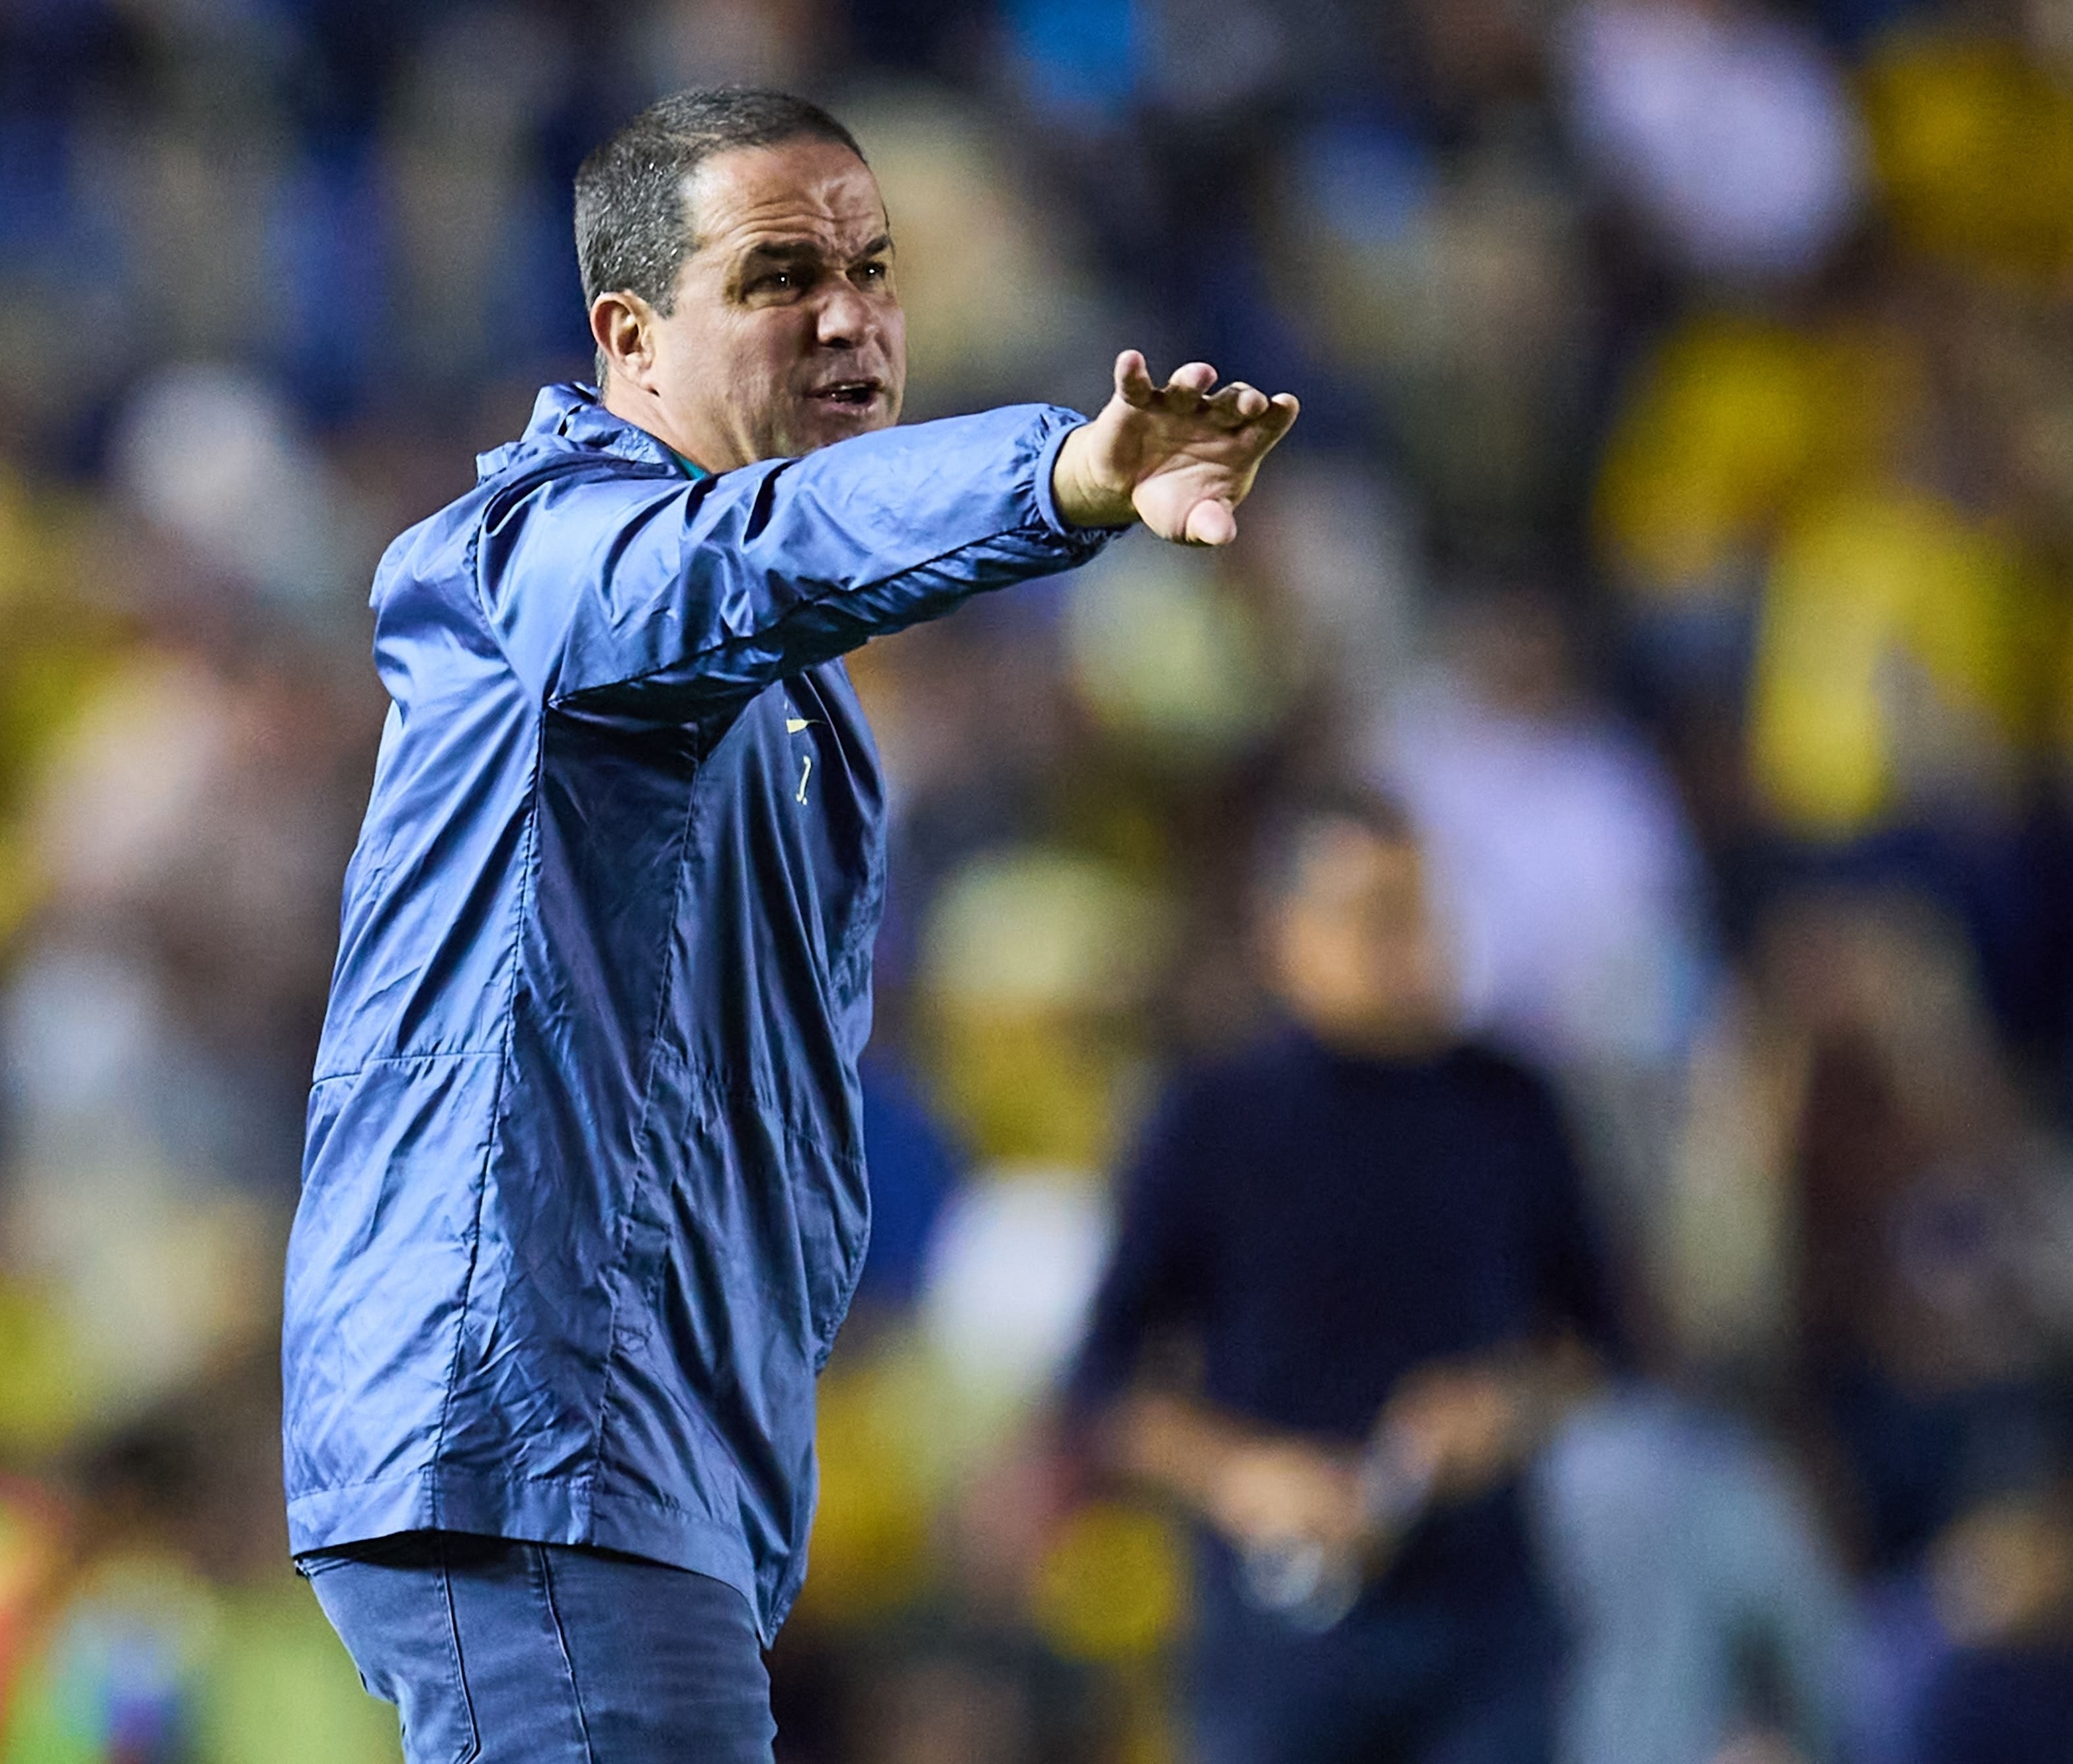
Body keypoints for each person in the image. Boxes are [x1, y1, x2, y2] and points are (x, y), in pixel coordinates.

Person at [281, 86, 1300, 1763]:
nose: (849, 317)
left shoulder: (792, 697)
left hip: (644, 1476)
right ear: (629, 337)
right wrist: (1060, 475)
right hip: (541, 1451)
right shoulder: (534, 566)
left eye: (872, 268)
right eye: (777, 277)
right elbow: (752, 559)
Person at [1068, 792, 1619, 1764]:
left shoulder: (1509, 1105)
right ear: (1286, 934)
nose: (1411, 946)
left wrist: (1506, 1409)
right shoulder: (1214, 1118)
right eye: (1374, 916)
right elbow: (1105, 1384)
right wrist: (1243, 1475)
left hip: (1481, 1615)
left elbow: (1600, 1338)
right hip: (1285, 1616)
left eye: (1424, 912)